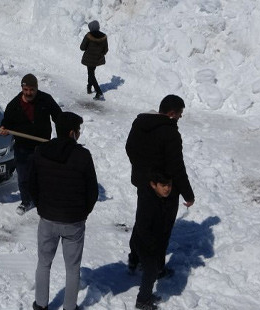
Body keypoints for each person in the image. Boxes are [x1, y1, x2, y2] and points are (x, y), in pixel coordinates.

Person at [29, 112, 98, 310]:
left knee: (44, 263)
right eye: (78, 131)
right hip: (73, 222)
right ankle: (69, 307)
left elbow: (31, 183)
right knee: (73, 268)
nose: (79, 134)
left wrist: (42, 206)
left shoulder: (41, 151)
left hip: (48, 219)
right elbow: (92, 191)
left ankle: (41, 305)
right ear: (71, 133)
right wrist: (82, 212)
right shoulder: (83, 156)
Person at [125, 94, 194, 277]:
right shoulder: (170, 133)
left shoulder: (140, 123)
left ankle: (135, 258)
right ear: (171, 113)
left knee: (143, 221)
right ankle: (157, 267)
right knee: (161, 229)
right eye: (179, 113)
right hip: (165, 189)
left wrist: (143, 172)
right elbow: (176, 166)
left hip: (144, 184)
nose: (180, 117)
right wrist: (188, 194)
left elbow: (130, 148)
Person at [0, 73, 62, 215]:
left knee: (44, 175)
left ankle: (44, 199)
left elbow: (59, 116)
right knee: (24, 177)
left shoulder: (45, 99)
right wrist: (3, 129)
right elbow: (6, 123)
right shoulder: (14, 105)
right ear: (22, 88)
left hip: (43, 146)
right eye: (26, 90)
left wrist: (63, 133)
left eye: (32, 90)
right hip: (23, 148)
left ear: (37, 88)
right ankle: (26, 201)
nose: (29, 93)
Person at [131, 172, 174, 310]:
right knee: (151, 272)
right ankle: (142, 301)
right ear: (153, 185)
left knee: (153, 270)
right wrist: (152, 245)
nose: (167, 188)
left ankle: (146, 295)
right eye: (163, 185)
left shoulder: (161, 198)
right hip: (145, 242)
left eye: (169, 185)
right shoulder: (148, 202)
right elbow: (142, 227)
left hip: (152, 242)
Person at [79, 20, 108, 101]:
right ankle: (89, 87)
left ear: (91, 28)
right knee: (91, 72)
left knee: (91, 74)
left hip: (89, 58)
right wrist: (99, 54)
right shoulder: (104, 36)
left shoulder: (88, 36)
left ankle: (99, 92)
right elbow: (106, 50)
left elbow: (82, 47)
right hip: (97, 59)